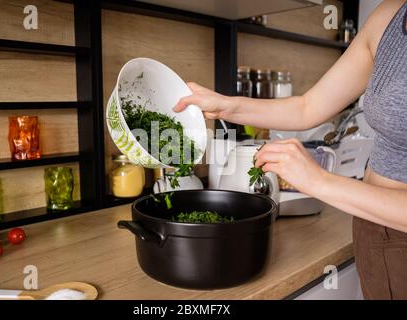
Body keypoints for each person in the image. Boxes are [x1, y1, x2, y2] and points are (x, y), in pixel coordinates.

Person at [174, 0, 407, 300]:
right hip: (371, 229)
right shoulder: (390, 16)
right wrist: (226, 106)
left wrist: (319, 181)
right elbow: (307, 107)